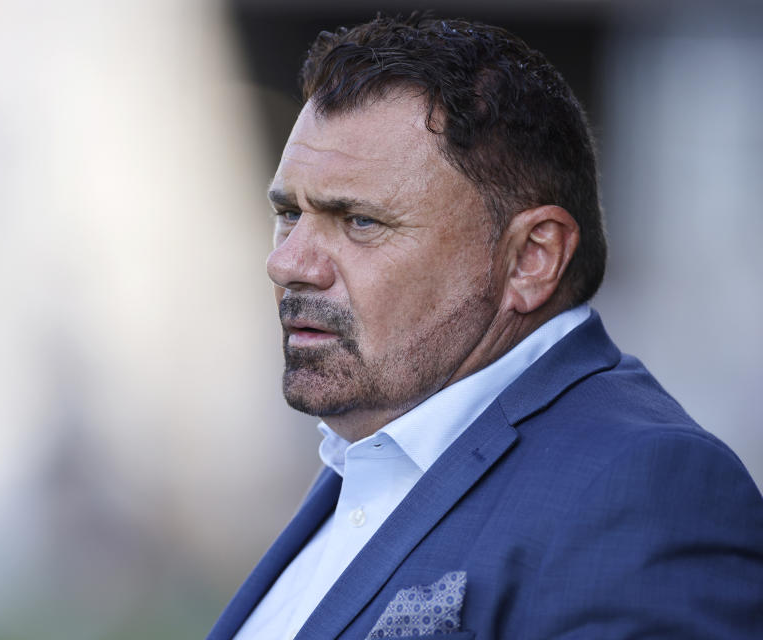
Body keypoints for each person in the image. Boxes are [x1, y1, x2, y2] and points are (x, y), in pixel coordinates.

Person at [208, 14, 763, 640]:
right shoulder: (369, 457)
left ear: (532, 258)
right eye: (289, 213)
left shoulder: (644, 489)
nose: (286, 263)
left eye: (359, 221)